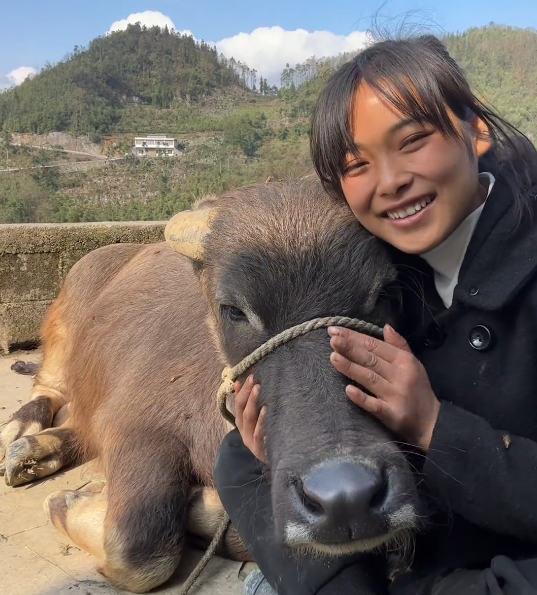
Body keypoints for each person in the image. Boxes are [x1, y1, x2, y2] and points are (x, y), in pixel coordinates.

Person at [214, 33, 537, 595]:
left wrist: (435, 428)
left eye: (412, 141)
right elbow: (259, 446)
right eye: (356, 164)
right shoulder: (382, 263)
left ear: (476, 130)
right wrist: (286, 439)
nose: (390, 182)